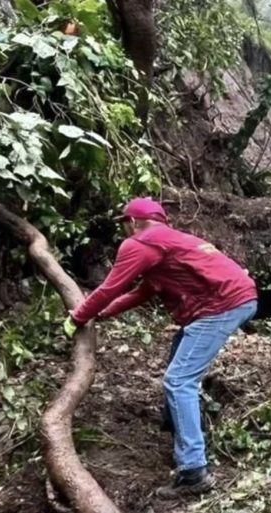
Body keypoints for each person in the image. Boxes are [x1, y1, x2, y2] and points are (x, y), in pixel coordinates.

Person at [64, 197, 257, 496]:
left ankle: (193, 472)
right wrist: (102, 313)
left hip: (222, 305)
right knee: (179, 357)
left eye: (125, 224)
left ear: (133, 222)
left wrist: (78, 317)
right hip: (237, 298)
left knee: (179, 380)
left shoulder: (141, 243)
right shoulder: (171, 241)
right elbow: (143, 292)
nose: (125, 231)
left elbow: (111, 287)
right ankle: (179, 427)